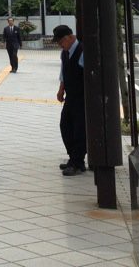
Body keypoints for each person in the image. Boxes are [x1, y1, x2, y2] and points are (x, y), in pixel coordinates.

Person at [53, 24, 86, 176]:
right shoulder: (65, 53)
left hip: (82, 97)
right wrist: (61, 89)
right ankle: (74, 157)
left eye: (61, 42)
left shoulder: (82, 51)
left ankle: (77, 162)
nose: (60, 45)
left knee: (79, 129)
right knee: (65, 125)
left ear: (70, 38)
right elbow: (63, 72)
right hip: (70, 96)